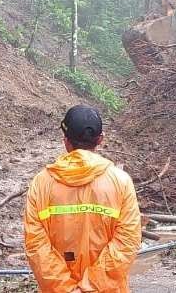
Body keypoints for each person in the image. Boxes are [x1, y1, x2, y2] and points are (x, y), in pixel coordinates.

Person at [24, 105, 142, 293]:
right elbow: (127, 242)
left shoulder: (41, 183)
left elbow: (36, 245)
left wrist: (67, 289)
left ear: (65, 141)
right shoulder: (121, 181)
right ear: (100, 139)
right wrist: (91, 287)